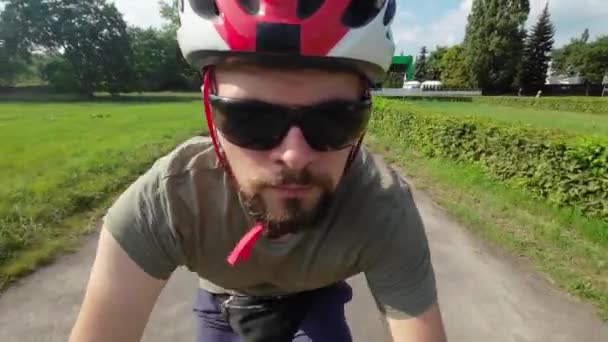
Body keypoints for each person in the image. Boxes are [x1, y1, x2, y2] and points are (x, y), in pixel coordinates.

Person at [69, 0, 447, 341]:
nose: (294, 156)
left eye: (334, 121)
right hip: (222, 303)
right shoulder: (168, 202)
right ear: (210, 114)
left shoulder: (382, 207)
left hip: (313, 298)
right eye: (251, 119)